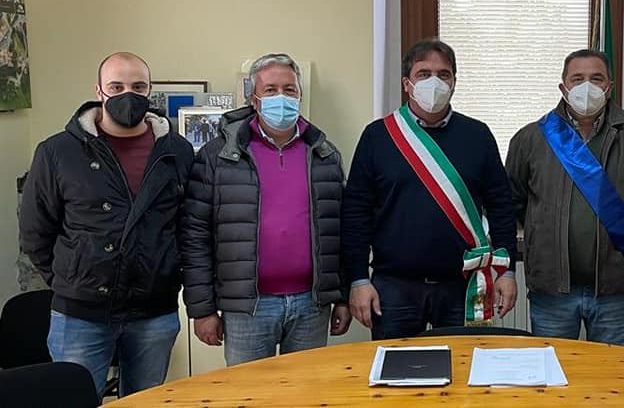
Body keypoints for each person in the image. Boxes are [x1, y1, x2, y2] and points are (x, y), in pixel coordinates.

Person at [19, 52, 194, 398]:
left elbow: (187, 226)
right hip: (80, 314)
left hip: (153, 310)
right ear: (98, 90)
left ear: (150, 91)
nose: (128, 95)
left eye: (138, 87)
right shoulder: (57, 152)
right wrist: (70, 278)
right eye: (116, 86)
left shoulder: (178, 151)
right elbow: (35, 232)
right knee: (74, 399)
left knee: (145, 402)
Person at [180, 53, 351, 365]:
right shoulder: (218, 156)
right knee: (249, 391)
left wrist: (342, 296)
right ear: (254, 98)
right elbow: (195, 236)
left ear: (300, 95)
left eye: (289, 89)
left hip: (311, 305)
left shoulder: (325, 154)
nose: (281, 97)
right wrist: (202, 309)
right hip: (248, 307)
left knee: (306, 390)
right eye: (270, 90)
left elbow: (339, 231)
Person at [342, 39, 518, 338]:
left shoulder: (477, 135)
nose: (434, 82)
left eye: (443, 74)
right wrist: (358, 279)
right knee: (396, 367)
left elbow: (502, 207)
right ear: (407, 84)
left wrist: (507, 271)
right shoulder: (378, 136)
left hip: (462, 285)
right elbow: (356, 214)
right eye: (424, 74)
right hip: (394, 287)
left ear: (454, 83)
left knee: (465, 365)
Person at [506, 48, 624, 346]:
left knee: (611, 373)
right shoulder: (530, 139)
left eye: (596, 78)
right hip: (552, 290)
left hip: (615, 290)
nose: (587, 87)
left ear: (609, 86)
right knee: (552, 371)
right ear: (563, 87)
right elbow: (515, 202)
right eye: (577, 79)